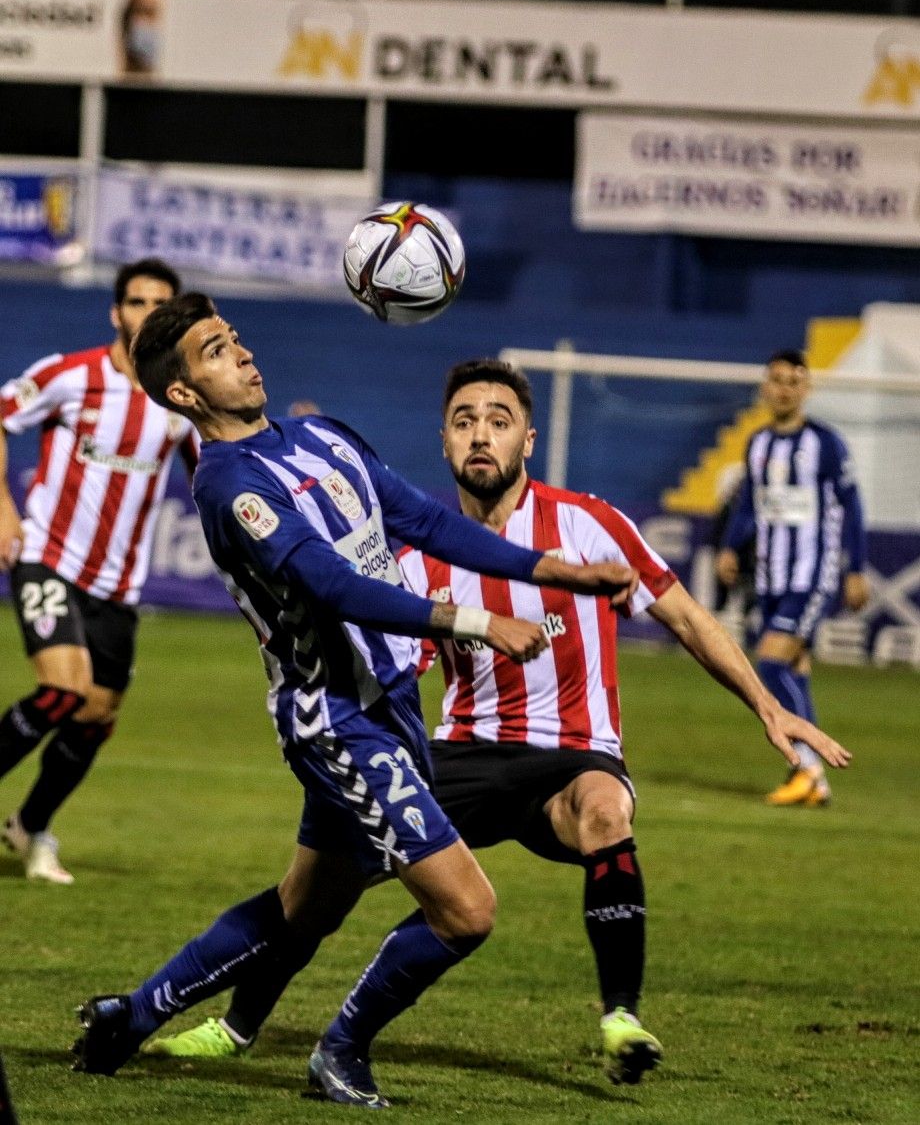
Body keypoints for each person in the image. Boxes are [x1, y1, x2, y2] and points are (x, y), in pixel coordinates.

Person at [77, 355, 851, 1095]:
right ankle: (237, 1024)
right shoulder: (415, 556)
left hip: (575, 754)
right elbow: (383, 656)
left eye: (500, 420)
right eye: (464, 422)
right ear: (443, 440)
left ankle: (618, 1016)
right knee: (317, 892)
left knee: (603, 814)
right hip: (462, 752)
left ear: (528, 440)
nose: (481, 435)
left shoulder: (589, 526)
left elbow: (685, 616)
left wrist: (768, 705)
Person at [71, 295, 656, 1108]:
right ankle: (339, 1052)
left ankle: (129, 1018)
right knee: (468, 911)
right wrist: (481, 619)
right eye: (214, 351)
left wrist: (552, 571)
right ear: (184, 394)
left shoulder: (323, 436)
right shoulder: (229, 485)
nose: (241, 355)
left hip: (392, 708)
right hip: (336, 722)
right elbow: (331, 584)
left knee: (303, 910)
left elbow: (421, 520)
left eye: (234, 338)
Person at [0, 258, 192, 885]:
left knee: (95, 716)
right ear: (116, 312)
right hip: (49, 559)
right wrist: (3, 509)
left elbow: (210, 466)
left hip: (119, 584)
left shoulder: (180, 396)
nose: (146, 314)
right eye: (136, 303)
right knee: (64, 689)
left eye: (159, 305)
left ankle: (30, 826)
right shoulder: (69, 375)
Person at [716, 349, 869, 808]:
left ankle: (809, 769)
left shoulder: (826, 443)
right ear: (766, 387)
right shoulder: (757, 443)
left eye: (793, 381)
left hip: (811, 573)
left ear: (805, 389)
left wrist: (856, 568)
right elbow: (750, 505)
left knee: (770, 663)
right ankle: (809, 777)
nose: (784, 388)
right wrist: (728, 544)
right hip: (770, 576)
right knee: (794, 670)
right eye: (777, 380)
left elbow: (852, 506)